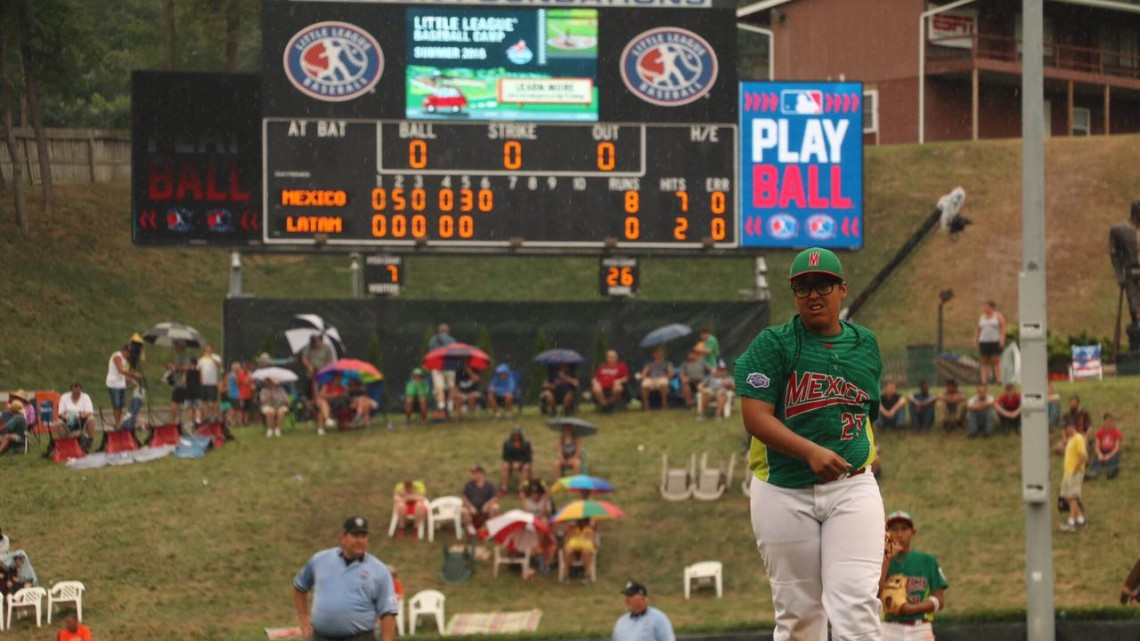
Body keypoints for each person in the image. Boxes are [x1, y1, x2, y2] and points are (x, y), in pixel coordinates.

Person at [734, 247, 884, 641]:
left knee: (856, 605)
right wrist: (810, 451)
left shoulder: (865, 344)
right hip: (783, 489)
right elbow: (755, 419)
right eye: (803, 287)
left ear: (842, 289)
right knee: (799, 615)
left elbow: (866, 414)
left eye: (823, 285)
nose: (813, 294)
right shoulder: (773, 344)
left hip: (852, 486)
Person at [292, 517, 398, 641]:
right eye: (355, 536)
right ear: (343, 537)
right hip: (320, 637)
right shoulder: (320, 560)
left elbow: (388, 612)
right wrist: (304, 621)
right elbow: (300, 586)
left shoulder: (379, 570)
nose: (360, 540)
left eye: (363, 536)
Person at [879, 511, 949, 641]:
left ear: (913, 533)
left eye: (904, 529)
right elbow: (876, 593)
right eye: (894, 529)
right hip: (889, 629)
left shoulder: (927, 560)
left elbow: (940, 600)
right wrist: (887, 558)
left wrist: (913, 609)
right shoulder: (879, 561)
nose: (899, 534)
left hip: (920, 628)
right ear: (886, 534)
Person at [1059, 418, 1088, 532]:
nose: (1065, 431)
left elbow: (1083, 455)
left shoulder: (1078, 438)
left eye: (1065, 429)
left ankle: (1071, 522)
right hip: (1067, 472)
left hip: (1074, 472)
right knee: (1066, 496)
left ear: (1070, 428)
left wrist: (1076, 470)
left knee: (1072, 496)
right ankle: (1080, 518)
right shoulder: (1070, 440)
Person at [106, 344, 140, 427]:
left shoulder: (124, 360)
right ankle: (117, 422)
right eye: (127, 352)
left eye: (129, 353)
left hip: (121, 384)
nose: (128, 354)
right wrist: (133, 374)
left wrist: (133, 381)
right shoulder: (117, 356)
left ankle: (119, 421)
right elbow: (120, 370)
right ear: (123, 350)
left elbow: (125, 375)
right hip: (113, 384)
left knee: (121, 404)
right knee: (116, 404)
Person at [973, 300, 1006, 384]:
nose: (984, 308)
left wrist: (1002, 340)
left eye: (986, 306)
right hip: (984, 341)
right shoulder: (982, 317)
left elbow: (1003, 328)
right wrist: (975, 341)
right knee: (984, 361)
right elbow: (977, 329)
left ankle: (999, 380)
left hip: (994, 341)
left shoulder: (998, 316)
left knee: (996, 360)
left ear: (991, 307)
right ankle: (984, 381)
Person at [461, 465, 500, 535]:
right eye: (473, 473)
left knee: (495, 507)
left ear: (481, 474)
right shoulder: (469, 485)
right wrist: (470, 507)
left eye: (475, 473)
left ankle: (491, 528)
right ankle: (470, 530)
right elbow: (464, 498)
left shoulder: (489, 485)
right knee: (463, 511)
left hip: (485, 509)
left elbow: (495, 498)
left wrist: (487, 505)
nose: (473, 475)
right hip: (473, 509)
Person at [427, 323, 457, 413]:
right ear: (448, 331)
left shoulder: (433, 340)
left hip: (437, 367)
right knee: (451, 387)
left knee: (439, 388)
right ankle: (450, 406)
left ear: (438, 331)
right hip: (450, 366)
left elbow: (431, 353)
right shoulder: (452, 340)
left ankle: (441, 407)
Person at [57, 382, 96, 449]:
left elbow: (89, 411)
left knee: (91, 419)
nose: (76, 394)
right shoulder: (64, 397)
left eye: (78, 392)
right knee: (59, 423)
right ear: (71, 391)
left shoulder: (85, 397)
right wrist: (67, 417)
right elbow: (60, 413)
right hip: (69, 418)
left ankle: (90, 441)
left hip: (82, 418)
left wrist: (80, 417)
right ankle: (66, 442)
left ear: (81, 391)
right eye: (74, 392)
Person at [166, 339, 195, 425]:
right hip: (178, 382)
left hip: (181, 384)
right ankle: (176, 421)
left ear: (181, 347)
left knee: (174, 402)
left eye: (176, 346)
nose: (175, 347)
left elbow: (187, 367)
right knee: (178, 403)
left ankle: (172, 421)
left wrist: (174, 367)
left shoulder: (184, 356)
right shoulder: (179, 356)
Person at [301, 334, 336, 400]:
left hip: (323, 369)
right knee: (312, 381)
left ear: (321, 340)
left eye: (317, 341)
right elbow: (304, 358)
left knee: (324, 381)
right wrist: (309, 366)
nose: (315, 344)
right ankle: (313, 397)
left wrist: (325, 369)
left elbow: (330, 360)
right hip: (311, 369)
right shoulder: (308, 347)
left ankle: (321, 397)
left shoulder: (327, 348)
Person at [1088, 412, 1123, 480]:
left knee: (1114, 459)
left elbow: (1116, 448)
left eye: (1111, 421)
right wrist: (1099, 454)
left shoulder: (1117, 432)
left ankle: (1111, 472)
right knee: (1096, 460)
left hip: (1112, 451)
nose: (1109, 422)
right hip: (1102, 451)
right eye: (1107, 420)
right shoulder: (1099, 432)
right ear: (1104, 421)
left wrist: (1109, 456)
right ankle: (1094, 473)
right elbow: (1096, 446)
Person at [500, 426, 533, 494]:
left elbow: (528, 457)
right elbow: (505, 456)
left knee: (526, 467)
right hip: (511, 461)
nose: (516, 437)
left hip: (523, 461)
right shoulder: (507, 443)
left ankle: (520, 488)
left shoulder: (526, 443)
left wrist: (520, 463)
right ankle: (504, 487)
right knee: (505, 466)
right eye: (514, 435)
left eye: (517, 435)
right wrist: (512, 462)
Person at [197, 344, 222, 421]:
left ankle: (216, 416)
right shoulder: (202, 359)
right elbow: (199, 370)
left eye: (209, 349)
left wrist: (211, 357)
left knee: (214, 400)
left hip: (212, 382)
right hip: (204, 383)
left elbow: (218, 364)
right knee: (205, 401)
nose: (208, 350)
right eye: (206, 349)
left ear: (212, 349)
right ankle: (206, 416)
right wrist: (200, 381)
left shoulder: (216, 357)